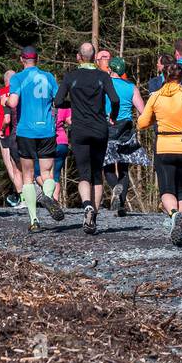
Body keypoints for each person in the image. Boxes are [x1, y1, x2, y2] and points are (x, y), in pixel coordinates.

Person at [55, 42, 120, 234]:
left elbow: (58, 102)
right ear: (94, 58)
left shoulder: (70, 77)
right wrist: (113, 116)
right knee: (96, 173)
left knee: (84, 172)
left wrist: (73, 103)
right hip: (100, 128)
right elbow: (115, 99)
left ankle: (87, 206)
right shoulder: (102, 76)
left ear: (78, 57)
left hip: (79, 129)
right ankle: (94, 217)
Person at [7, 45, 65, 232]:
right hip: (47, 130)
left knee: (28, 176)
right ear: (37, 59)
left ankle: (34, 220)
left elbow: (14, 102)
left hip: (26, 131)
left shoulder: (18, 78)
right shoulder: (49, 77)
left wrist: (6, 101)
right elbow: (59, 100)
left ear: (22, 59)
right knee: (48, 174)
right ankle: (47, 196)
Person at [139, 61, 182, 245]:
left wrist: (156, 118)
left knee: (166, 189)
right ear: (181, 77)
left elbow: (142, 122)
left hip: (164, 145)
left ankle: (174, 215)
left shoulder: (156, 96)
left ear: (165, 76)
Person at [103, 56, 148, 217]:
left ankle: (115, 190)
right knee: (123, 168)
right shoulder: (131, 87)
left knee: (107, 166)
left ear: (110, 69)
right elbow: (143, 111)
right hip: (126, 131)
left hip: (107, 128)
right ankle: (120, 205)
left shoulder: (104, 85)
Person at [0, 70, 21, 208]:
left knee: (11, 166)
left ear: (5, 80)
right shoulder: (20, 91)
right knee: (21, 165)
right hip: (19, 131)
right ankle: (20, 193)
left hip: (4, 132)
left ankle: (20, 195)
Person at [52, 107, 71, 201]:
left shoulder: (41, 105)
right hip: (61, 142)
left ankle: (48, 196)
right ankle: (55, 200)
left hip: (45, 142)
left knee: (39, 173)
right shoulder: (63, 107)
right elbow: (71, 121)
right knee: (56, 175)